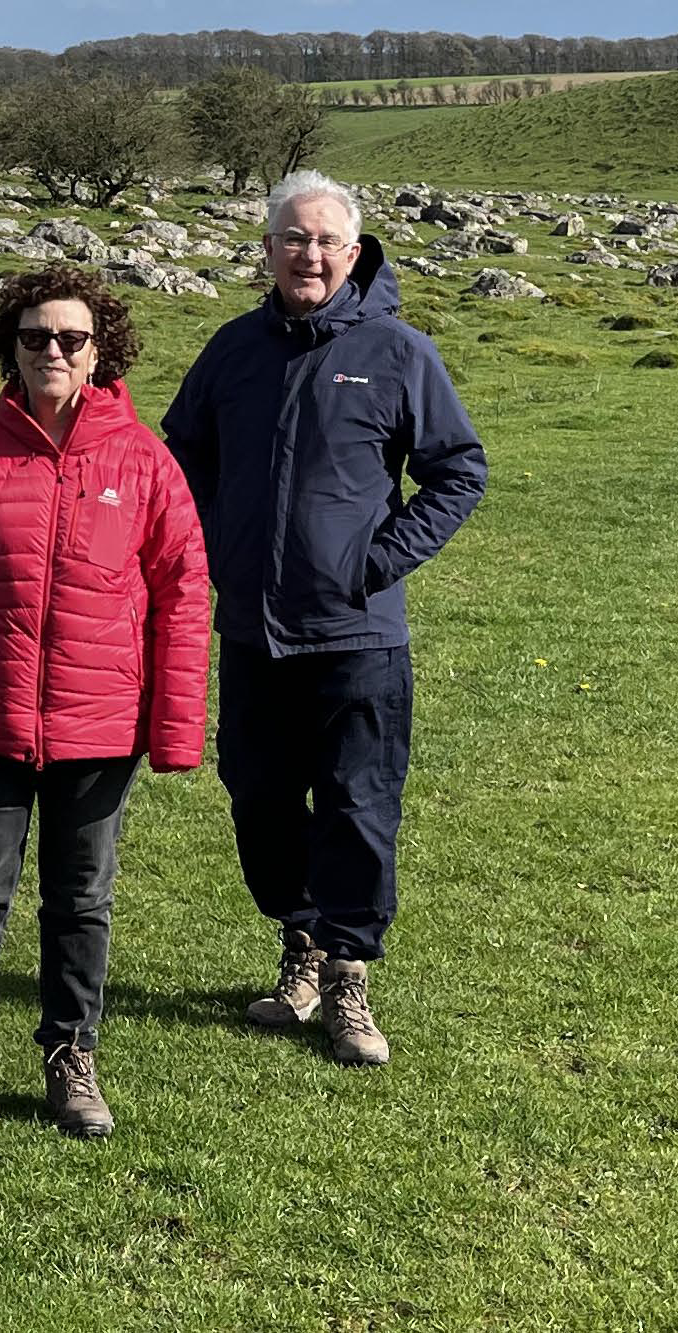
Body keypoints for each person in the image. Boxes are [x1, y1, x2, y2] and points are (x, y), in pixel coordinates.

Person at [161, 169, 486, 1068]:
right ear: (266, 249)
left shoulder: (397, 351)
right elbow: (178, 458)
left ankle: (348, 973)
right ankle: (300, 939)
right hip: (253, 628)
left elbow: (458, 471)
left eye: (325, 241)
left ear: (354, 252)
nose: (309, 254)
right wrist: (211, 552)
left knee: (357, 801)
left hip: (359, 633)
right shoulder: (231, 350)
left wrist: (375, 562)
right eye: (292, 238)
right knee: (258, 795)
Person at [0, 265, 209, 1164]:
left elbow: (185, 595)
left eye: (71, 338)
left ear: (101, 350)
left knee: (82, 901)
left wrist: (178, 729)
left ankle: (72, 1056)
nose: (53, 351)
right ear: (12, 347)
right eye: (35, 337)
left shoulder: (144, 460)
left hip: (101, 727)